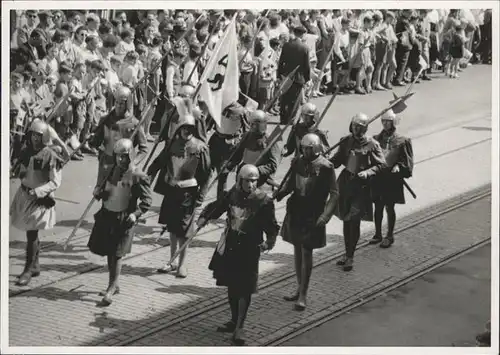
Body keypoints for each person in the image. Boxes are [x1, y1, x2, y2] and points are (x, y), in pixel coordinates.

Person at [197, 164, 280, 346]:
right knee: (232, 285)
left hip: (250, 248)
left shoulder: (263, 201)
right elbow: (216, 206)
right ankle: (234, 320)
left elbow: (272, 226)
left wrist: (269, 242)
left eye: (253, 181)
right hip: (231, 244)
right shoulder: (232, 194)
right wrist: (204, 217)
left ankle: (240, 326)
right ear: (240, 180)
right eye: (247, 181)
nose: (250, 184)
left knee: (245, 287)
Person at [274, 133, 338, 310]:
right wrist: (281, 193)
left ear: (316, 148)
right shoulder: (297, 162)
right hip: (296, 210)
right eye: (304, 148)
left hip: (313, 212)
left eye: (309, 148)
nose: (306, 151)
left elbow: (334, 193)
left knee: (307, 251)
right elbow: (292, 184)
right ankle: (298, 287)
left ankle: (303, 294)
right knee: (297, 247)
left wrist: (325, 216)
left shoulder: (326, 166)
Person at [88, 138, 152, 306]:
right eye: (119, 156)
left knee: (117, 254)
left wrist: (136, 214)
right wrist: (98, 193)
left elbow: (147, 201)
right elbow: (106, 191)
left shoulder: (137, 175)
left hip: (124, 218)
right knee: (110, 252)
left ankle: (111, 287)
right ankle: (114, 284)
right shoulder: (109, 170)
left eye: (125, 156)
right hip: (108, 215)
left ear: (131, 155)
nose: (122, 160)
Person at [147, 112, 211, 278]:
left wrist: (201, 197)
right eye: (184, 128)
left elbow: (206, 174)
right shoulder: (171, 145)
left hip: (188, 194)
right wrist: (148, 176)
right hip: (171, 190)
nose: (187, 131)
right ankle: (172, 261)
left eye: (190, 128)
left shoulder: (200, 147)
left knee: (184, 231)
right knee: (172, 228)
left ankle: (182, 264)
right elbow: (158, 162)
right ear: (179, 128)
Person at [10, 120, 64, 286]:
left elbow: (55, 182)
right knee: (31, 233)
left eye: (39, 135)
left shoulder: (50, 155)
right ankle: (35, 265)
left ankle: (27, 269)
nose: (35, 138)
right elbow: (22, 170)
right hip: (24, 195)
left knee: (31, 234)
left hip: (39, 199)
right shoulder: (26, 151)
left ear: (45, 137)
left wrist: (39, 191)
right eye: (33, 134)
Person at [330, 113, 386, 271]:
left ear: (365, 128)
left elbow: (382, 165)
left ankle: (350, 257)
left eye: (359, 127)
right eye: (354, 126)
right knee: (346, 220)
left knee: (354, 221)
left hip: (361, 187)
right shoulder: (346, 141)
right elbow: (338, 160)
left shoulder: (372, 144)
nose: (356, 129)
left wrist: (369, 172)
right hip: (346, 184)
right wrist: (324, 162)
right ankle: (347, 252)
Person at [370, 109, 413, 248]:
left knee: (389, 207)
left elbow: (406, 161)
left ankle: (390, 235)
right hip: (378, 177)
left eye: (388, 121)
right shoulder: (375, 139)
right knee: (377, 207)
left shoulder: (402, 141)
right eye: (383, 121)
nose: (385, 124)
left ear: (393, 122)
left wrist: (399, 167)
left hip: (391, 179)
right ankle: (377, 234)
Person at [89, 85, 148, 186]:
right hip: (107, 164)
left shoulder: (134, 123)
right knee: (104, 195)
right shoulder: (105, 120)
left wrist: (133, 163)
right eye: (116, 102)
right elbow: (96, 142)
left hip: (125, 166)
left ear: (127, 104)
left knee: (121, 196)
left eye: (122, 103)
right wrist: (91, 139)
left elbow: (144, 149)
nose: (118, 106)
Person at [226, 110, 281, 187]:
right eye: (252, 124)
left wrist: (257, 170)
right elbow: (238, 154)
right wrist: (230, 165)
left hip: (259, 178)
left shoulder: (269, 141)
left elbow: (273, 165)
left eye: (256, 124)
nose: (253, 126)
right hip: (244, 173)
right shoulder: (247, 136)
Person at [208, 101, 249, 199]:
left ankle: (220, 201)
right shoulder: (218, 105)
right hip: (216, 140)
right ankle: (198, 199)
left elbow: (246, 129)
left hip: (231, 144)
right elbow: (209, 123)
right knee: (207, 170)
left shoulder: (241, 111)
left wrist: (239, 140)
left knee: (223, 174)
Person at [277, 25, 311, 125]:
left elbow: (281, 61)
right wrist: (307, 78)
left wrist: (279, 74)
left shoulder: (287, 45)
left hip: (286, 76)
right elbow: (307, 65)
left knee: (284, 98)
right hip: (298, 78)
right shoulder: (305, 47)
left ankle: (283, 118)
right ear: (303, 34)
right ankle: (290, 119)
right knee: (294, 101)